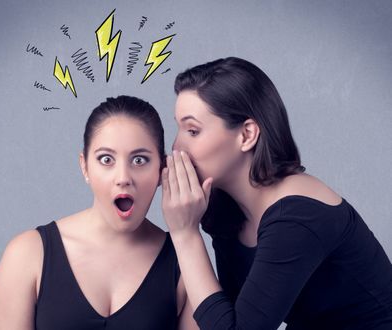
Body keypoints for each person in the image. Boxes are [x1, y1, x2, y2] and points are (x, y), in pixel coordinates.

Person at [161, 57, 392, 329]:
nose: (177, 147)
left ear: (247, 135)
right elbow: (223, 314)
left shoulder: (297, 214)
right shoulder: (226, 209)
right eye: (179, 129)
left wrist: (184, 234)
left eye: (192, 130)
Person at [0, 95, 198, 330]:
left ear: (162, 169)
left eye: (139, 160)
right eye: (106, 159)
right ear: (85, 166)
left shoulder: (186, 265)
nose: (123, 178)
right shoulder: (27, 254)